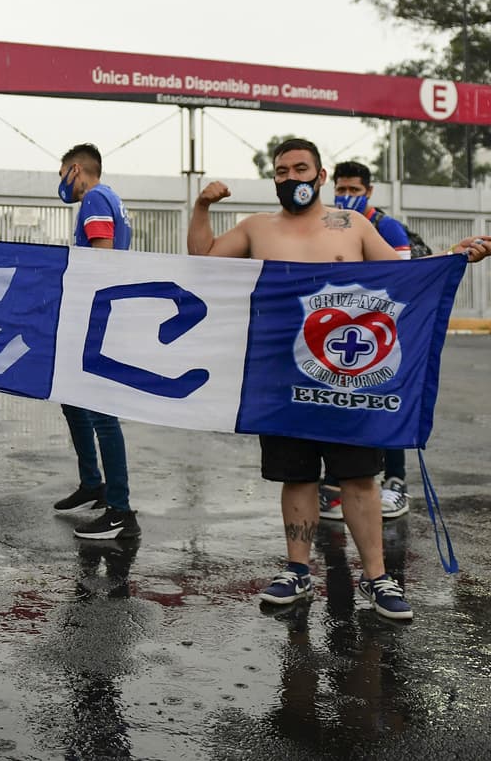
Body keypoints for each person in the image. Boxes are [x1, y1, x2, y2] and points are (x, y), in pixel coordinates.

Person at [188, 137, 491, 620]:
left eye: (300, 169)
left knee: (358, 477)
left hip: (350, 380)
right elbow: (202, 260)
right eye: (282, 172)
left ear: (320, 176)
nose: (291, 179)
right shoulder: (256, 227)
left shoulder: (352, 224)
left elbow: (401, 278)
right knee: (298, 476)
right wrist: (202, 204)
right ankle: (297, 571)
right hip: (284, 378)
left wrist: (454, 256)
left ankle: (377, 577)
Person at [49, 144, 141, 540]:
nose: (61, 183)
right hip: (95, 314)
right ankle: (93, 483)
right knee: (73, 400)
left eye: (62, 174)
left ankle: (120, 510)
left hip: (96, 317)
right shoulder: (112, 199)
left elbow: (100, 258)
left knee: (102, 414)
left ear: (75, 170)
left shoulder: (97, 198)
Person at [321, 160, 410, 521]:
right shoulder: (328, 222)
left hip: (382, 331)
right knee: (339, 403)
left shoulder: (387, 227)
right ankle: (334, 487)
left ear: (369, 191)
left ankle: (395, 482)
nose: (346, 197)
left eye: (354, 191)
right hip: (341, 331)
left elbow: (404, 276)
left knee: (386, 404)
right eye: (341, 190)